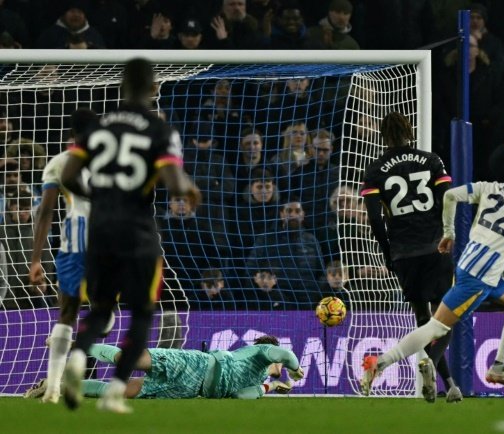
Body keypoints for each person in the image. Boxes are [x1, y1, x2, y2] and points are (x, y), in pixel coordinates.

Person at [59, 58, 202, 414]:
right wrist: (189, 188)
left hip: (101, 231)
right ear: (153, 88)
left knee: (100, 309)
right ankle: (115, 390)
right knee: (141, 312)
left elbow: (70, 175)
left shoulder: (98, 127)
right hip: (138, 234)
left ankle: (77, 358)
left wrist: (98, 196)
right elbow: (172, 182)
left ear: (121, 85)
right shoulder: (159, 129)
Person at [360, 142, 504, 398]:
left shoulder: (490, 188)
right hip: (481, 276)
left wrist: (449, 232)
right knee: (437, 327)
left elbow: (450, 195)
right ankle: (379, 364)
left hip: (472, 263)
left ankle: (500, 367)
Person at [360, 111, 459, 403]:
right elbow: (447, 199)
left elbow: (375, 219)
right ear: (410, 131)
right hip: (435, 247)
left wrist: (388, 251)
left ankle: (450, 384)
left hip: (404, 253)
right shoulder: (431, 161)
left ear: (383, 136)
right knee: (446, 317)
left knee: (422, 318)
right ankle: (440, 372)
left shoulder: (376, 169)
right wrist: (448, 232)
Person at [24, 108, 98, 404]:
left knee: (66, 313)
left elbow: (45, 214)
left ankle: (53, 389)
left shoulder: (57, 162)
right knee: (98, 313)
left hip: (71, 245)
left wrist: (35, 259)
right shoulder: (110, 161)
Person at [42, 336, 301, 399]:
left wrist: (268, 386)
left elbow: (239, 396)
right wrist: (295, 369)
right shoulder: (260, 352)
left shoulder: (257, 380)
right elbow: (285, 353)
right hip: (195, 364)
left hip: (187, 389)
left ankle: (56, 386)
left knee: (119, 391)